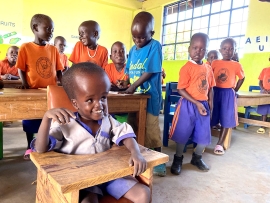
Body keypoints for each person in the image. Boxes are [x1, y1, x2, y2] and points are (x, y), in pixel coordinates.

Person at [31, 62, 150, 203]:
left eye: (103, 97)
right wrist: (46, 119)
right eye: (90, 100)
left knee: (143, 193)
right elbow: (41, 148)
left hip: (109, 174)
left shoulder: (108, 120)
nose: (99, 104)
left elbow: (126, 134)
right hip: (82, 180)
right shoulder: (66, 124)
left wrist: (136, 153)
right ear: (75, 104)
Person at [122, 11, 166, 176]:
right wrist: (125, 82)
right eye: (134, 37)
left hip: (150, 97)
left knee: (151, 129)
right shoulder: (133, 50)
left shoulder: (155, 46)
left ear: (151, 33)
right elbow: (128, 71)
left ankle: (159, 160)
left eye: (141, 37)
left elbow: (150, 72)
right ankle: (138, 154)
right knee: (133, 126)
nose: (137, 41)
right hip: (134, 98)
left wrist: (133, 86)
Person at [15, 14, 63, 160]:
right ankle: (30, 146)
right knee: (30, 119)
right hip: (32, 91)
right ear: (35, 28)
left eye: (52, 29)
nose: (51, 32)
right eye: (47, 28)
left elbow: (59, 70)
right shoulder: (25, 47)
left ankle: (46, 143)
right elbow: (21, 68)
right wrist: (25, 83)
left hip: (50, 92)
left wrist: (63, 84)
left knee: (50, 119)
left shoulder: (53, 49)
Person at [169, 33, 215, 175]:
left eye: (202, 49)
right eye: (195, 48)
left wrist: (210, 103)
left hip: (203, 106)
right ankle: (178, 159)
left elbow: (210, 87)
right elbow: (181, 89)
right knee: (182, 134)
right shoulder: (186, 68)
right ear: (189, 49)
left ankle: (197, 157)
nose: (198, 51)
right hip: (187, 105)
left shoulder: (208, 68)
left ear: (206, 51)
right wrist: (196, 103)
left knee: (203, 136)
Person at [211, 38, 245, 155]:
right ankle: (203, 141)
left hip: (228, 93)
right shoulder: (215, 63)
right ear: (220, 50)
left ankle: (220, 144)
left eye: (231, 49)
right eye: (225, 48)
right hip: (214, 92)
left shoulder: (236, 65)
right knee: (211, 116)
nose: (227, 51)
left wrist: (234, 90)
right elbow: (209, 76)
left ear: (235, 51)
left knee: (226, 118)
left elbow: (242, 78)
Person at [256, 67, 270, 134]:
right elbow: (260, 82)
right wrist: (263, 90)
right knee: (264, 107)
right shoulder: (265, 70)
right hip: (264, 92)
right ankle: (263, 126)